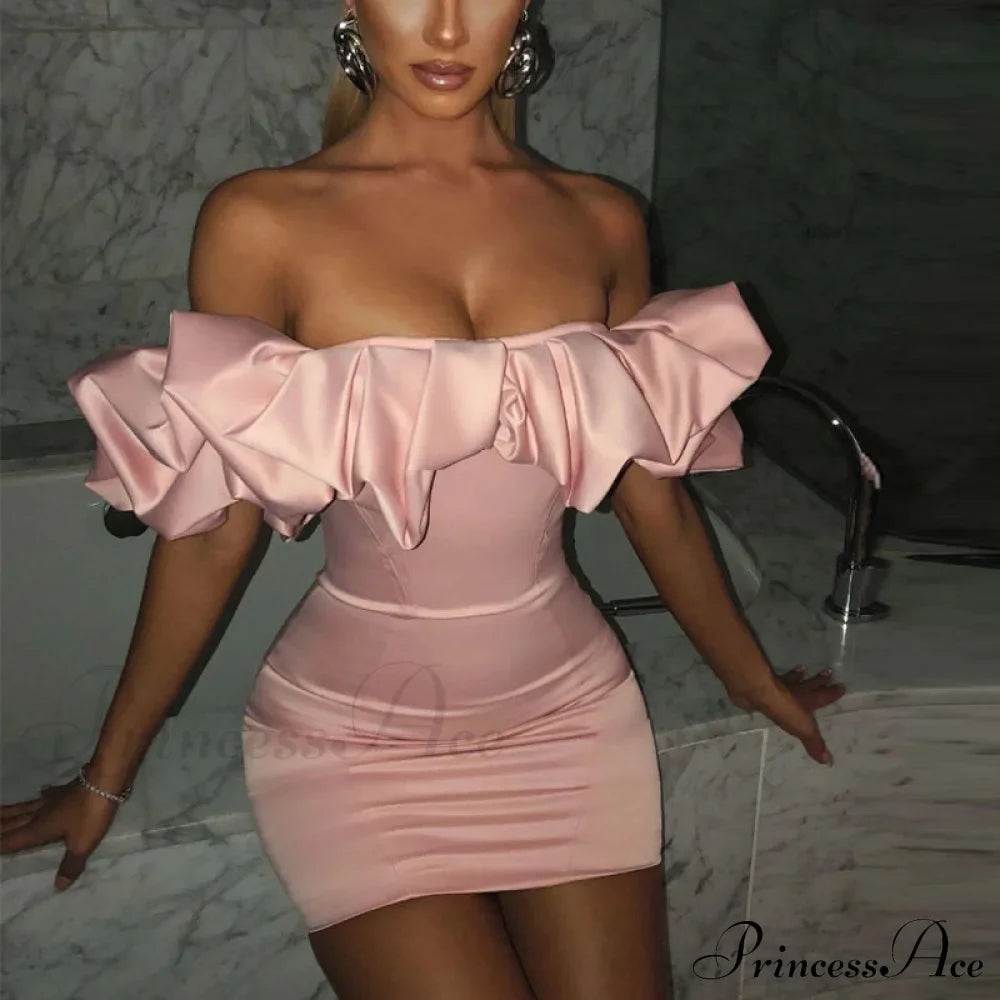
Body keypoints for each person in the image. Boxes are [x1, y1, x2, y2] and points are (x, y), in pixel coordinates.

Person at [0, 2, 846, 998]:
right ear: (353, 7)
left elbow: (648, 493)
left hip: (572, 720)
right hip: (352, 743)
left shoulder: (602, 218)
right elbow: (213, 531)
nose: (446, 27)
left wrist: (750, 679)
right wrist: (104, 777)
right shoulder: (262, 220)